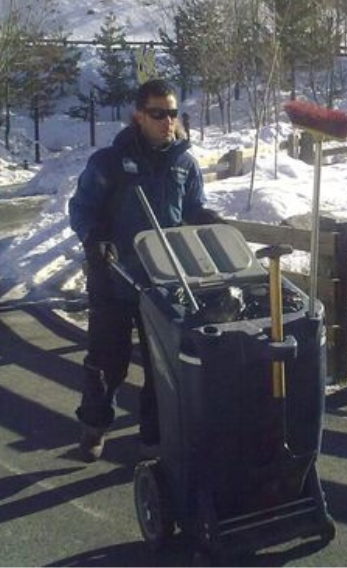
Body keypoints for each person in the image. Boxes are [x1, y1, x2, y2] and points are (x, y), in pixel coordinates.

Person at [69, 78, 224, 462]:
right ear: (139, 116)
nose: (167, 121)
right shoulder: (109, 162)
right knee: (108, 360)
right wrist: (94, 237)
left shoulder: (184, 163)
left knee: (162, 366)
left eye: (173, 113)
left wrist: (206, 218)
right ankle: (94, 426)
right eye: (158, 113)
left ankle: (154, 436)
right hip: (114, 276)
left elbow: (190, 209)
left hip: (164, 279)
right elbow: (82, 207)